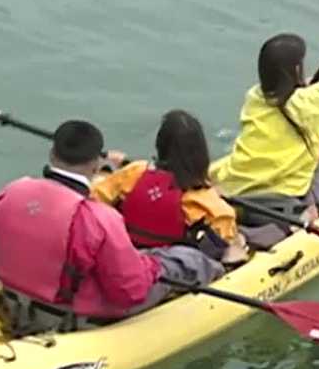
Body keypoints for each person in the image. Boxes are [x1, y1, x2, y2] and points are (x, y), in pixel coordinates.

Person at [0, 120, 225, 334]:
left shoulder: (13, 190)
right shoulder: (100, 219)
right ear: (95, 164)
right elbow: (131, 292)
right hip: (71, 314)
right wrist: (152, 263)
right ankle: (227, 267)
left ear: (52, 153)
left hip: (14, 299)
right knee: (187, 257)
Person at [209, 31, 319, 230]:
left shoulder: (255, 98)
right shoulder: (309, 105)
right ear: (296, 69)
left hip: (237, 195)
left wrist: (303, 88)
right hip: (280, 205)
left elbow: (285, 97)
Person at [91, 110, 250, 265]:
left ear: (160, 145)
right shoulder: (203, 200)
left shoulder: (134, 172)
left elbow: (96, 197)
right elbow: (225, 236)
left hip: (128, 251)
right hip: (171, 264)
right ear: (201, 153)